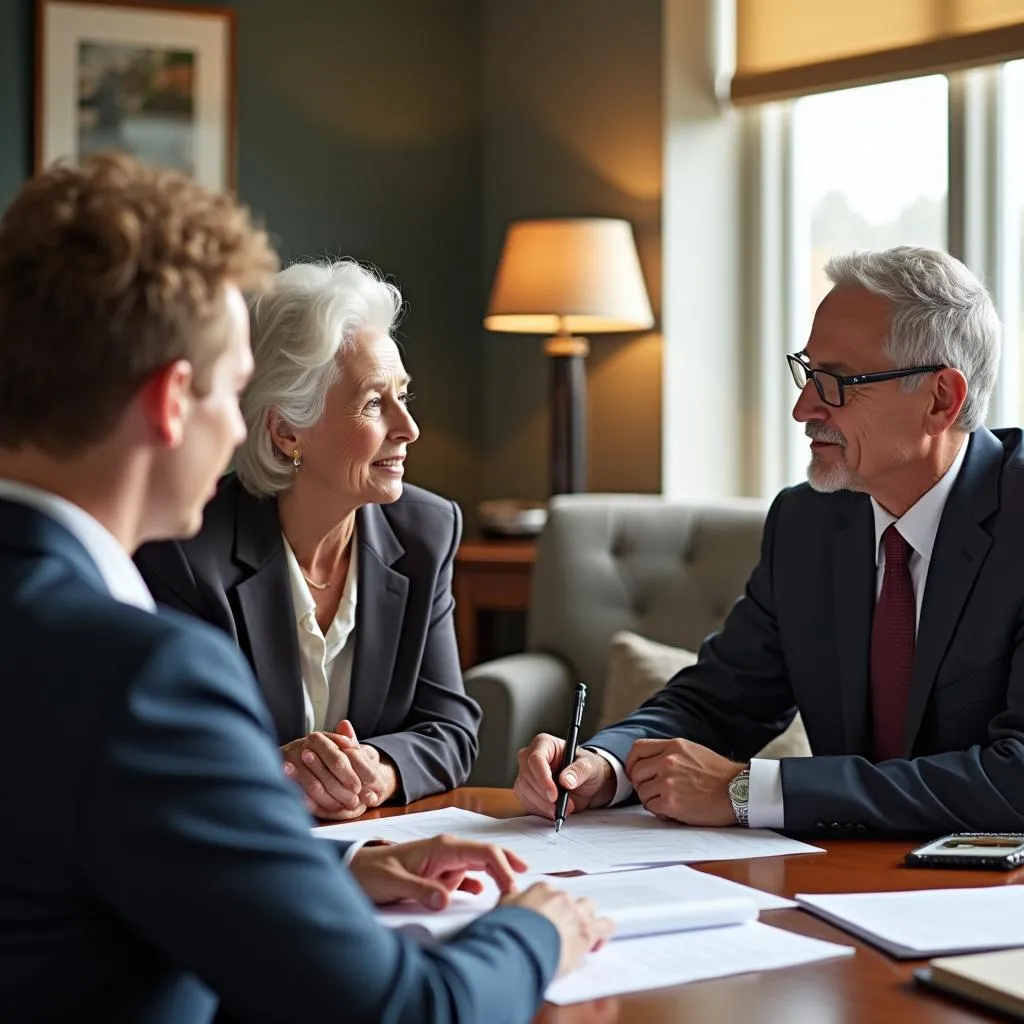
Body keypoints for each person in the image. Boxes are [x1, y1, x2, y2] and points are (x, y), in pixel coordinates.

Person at [0, 152, 610, 1022]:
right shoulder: (144, 676)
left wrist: (338, 867)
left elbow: (90, 859)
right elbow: (404, 1010)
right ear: (176, 401)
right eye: (234, 390)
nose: (237, 428)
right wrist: (537, 929)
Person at [516, 245, 1024, 837]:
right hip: (836, 876)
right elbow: (720, 700)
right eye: (808, 372)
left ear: (941, 399)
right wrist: (604, 766)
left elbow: (1014, 779)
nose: (803, 407)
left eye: (836, 382)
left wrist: (746, 791)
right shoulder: (808, 522)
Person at [135, 259, 479, 819]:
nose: (408, 427)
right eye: (374, 402)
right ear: (286, 429)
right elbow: (164, 757)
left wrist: (377, 767)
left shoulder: (426, 533)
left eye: (403, 396)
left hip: (381, 842)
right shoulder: (186, 554)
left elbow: (451, 729)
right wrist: (280, 770)